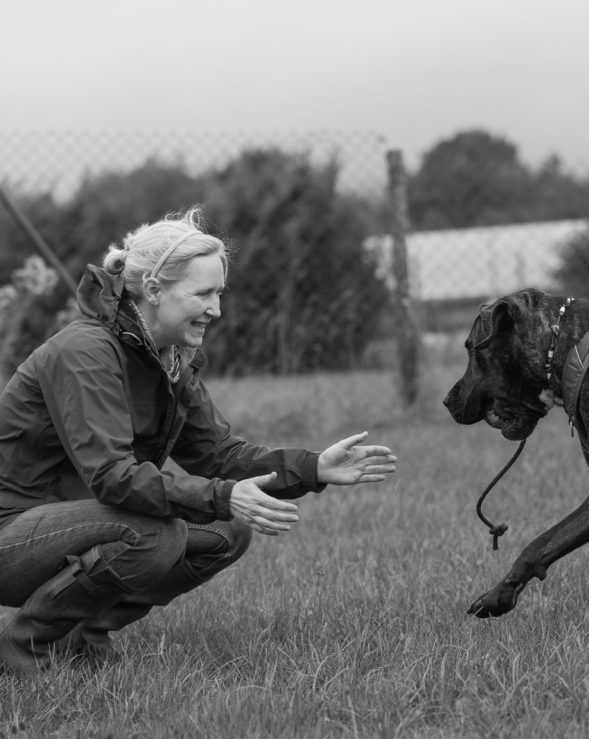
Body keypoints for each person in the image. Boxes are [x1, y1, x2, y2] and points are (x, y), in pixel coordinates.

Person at [0, 208, 397, 673]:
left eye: (220, 293)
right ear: (152, 290)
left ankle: (82, 637)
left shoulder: (169, 360)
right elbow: (112, 477)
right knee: (153, 534)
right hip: (12, 532)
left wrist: (312, 468)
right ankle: (23, 647)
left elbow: (217, 454)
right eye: (204, 293)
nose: (217, 309)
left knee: (225, 532)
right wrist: (223, 495)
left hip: (69, 524)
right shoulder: (84, 351)